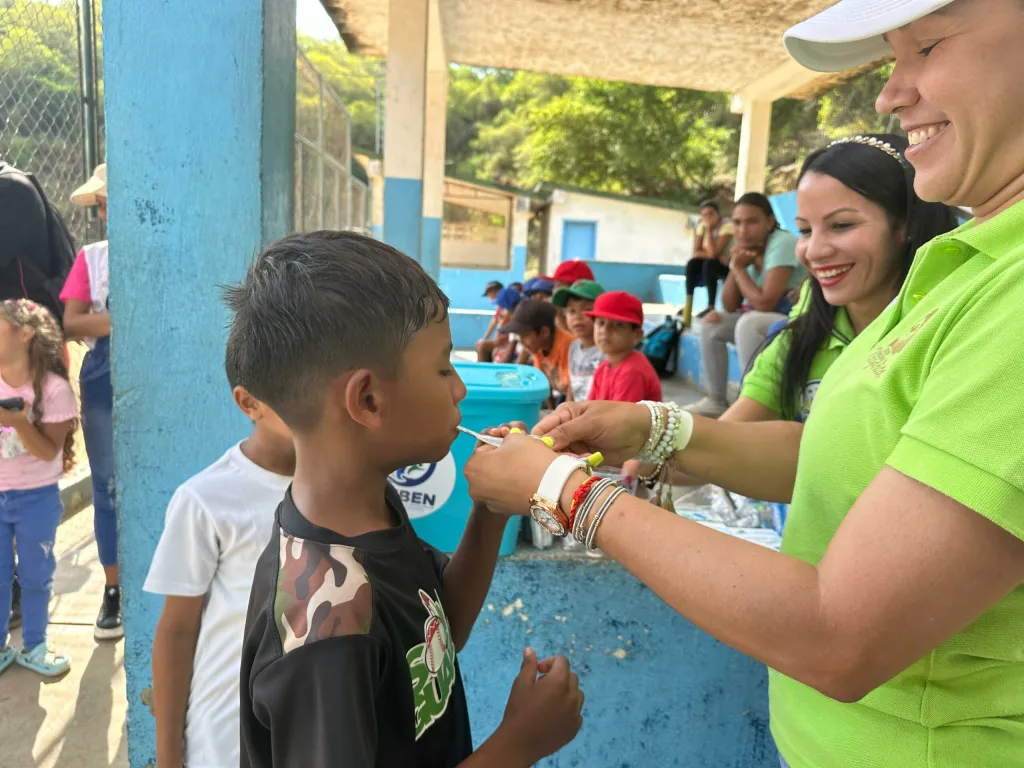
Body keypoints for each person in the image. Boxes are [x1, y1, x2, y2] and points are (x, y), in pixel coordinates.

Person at [464, 2, 1024, 767]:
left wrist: (565, 490)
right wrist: (653, 430)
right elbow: (849, 456)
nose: (892, 94)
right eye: (893, 57)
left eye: (925, 47)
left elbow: (840, 635)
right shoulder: (961, 270)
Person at [233, 232, 584, 768]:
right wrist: (518, 745)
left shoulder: (370, 509)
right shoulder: (325, 631)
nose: (460, 389)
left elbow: (440, 632)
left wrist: (489, 509)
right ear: (368, 399)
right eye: (444, 367)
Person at [730, 135, 959, 424]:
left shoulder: (950, 329)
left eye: (841, 225)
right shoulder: (809, 321)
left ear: (906, 225)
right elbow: (737, 424)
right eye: (804, 230)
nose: (813, 252)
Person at [145, 380, 294, 768]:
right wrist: (167, 757)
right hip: (227, 742)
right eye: (295, 383)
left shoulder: (357, 488)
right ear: (249, 403)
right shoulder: (207, 499)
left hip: (320, 738)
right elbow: (177, 629)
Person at [0, 300, 78, 678]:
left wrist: (16, 421)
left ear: (25, 332)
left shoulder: (53, 390)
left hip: (36, 498)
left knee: (34, 575)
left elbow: (49, 451)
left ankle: (34, 644)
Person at [61, 163, 121, 641]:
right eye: (101, 206)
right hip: (103, 380)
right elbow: (71, 323)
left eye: (106, 202)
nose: (103, 213)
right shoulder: (93, 258)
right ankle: (114, 590)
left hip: (154, 379)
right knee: (106, 487)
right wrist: (124, 319)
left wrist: (106, 318)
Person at [688, 193, 805, 418]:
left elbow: (765, 302)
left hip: (802, 321)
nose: (742, 230)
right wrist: (736, 265)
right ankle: (716, 400)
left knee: (750, 323)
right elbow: (730, 304)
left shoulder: (782, 242)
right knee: (712, 324)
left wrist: (739, 269)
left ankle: (753, 404)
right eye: (737, 223)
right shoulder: (745, 250)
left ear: (769, 222)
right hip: (772, 322)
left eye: (752, 222)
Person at [586, 291, 662, 404]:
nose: (605, 330)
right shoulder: (602, 368)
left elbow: (620, 420)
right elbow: (588, 408)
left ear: (637, 335)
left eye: (618, 324)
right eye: (601, 323)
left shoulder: (632, 372)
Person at [500, 299, 573, 400]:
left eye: (525, 335)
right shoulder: (538, 346)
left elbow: (572, 389)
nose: (521, 341)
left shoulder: (569, 346)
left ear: (544, 332)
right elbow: (542, 383)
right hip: (562, 394)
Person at [551, 279, 605, 402]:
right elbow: (572, 387)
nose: (577, 317)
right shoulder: (574, 347)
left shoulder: (607, 351)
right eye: (571, 311)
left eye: (586, 310)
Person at [682, 200, 733, 327]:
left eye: (711, 214)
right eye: (704, 215)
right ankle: (688, 303)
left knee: (709, 264)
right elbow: (695, 252)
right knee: (692, 263)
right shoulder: (701, 226)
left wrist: (709, 230)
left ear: (718, 214)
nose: (707, 218)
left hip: (728, 266)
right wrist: (710, 254)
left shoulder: (727, 225)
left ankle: (711, 306)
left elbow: (713, 253)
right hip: (713, 261)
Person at [476, 286, 520, 363]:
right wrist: (486, 338)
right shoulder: (507, 313)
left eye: (502, 307)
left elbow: (514, 341)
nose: (500, 309)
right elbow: (498, 328)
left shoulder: (518, 317)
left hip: (515, 348)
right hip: (508, 342)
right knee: (485, 347)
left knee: (495, 354)